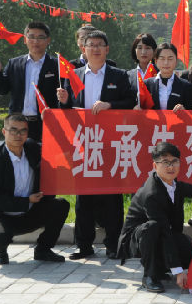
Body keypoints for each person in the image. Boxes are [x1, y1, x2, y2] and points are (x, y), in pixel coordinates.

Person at [56, 29, 136, 260]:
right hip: (83, 143)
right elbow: (67, 111)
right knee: (84, 197)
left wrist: (110, 105)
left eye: (100, 44)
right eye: (91, 44)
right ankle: (84, 245)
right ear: (83, 49)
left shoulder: (119, 76)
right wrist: (64, 102)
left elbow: (131, 101)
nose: (96, 48)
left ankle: (113, 244)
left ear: (107, 49)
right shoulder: (74, 75)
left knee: (112, 196)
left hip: (110, 143)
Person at [0, 114, 69, 264]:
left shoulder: (32, 148)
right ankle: (0, 252)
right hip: (4, 216)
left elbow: (55, 151)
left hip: (31, 212)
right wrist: (26, 201)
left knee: (61, 205)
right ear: (4, 132)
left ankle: (43, 250)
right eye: (13, 130)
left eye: (23, 131)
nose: (18, 135)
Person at [118, 143, 192, 293]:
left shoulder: (175, 184)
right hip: (137, 238)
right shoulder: (151, 194)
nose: (171, 167)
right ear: (155, 166)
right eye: (165, 162)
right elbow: (163, 229)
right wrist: (178, 271)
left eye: (174, 161)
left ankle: (160, 268)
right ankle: (150, 276)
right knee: (152, 227)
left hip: (163, 233)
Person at [0, 21, 59, 142]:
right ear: (25, 40)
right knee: (16, 153)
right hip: (17, 124)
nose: (35, 41)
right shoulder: (14, 63)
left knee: (41, 154)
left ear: (48, 40)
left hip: (45, 124)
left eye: (40, 37)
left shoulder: (56, 65)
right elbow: (3, 90)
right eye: (31, 37)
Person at [142, 43, 192, 111]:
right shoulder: (146, 85)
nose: (166, 63)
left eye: (170, 59)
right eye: (162, 59)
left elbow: (191, 111)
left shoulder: (186, 86)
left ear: (176, 61)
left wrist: (184, 110)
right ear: (156, 61)